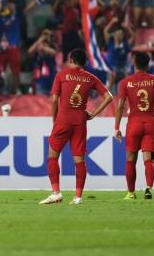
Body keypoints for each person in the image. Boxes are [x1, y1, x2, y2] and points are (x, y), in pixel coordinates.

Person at [39, 49, 113, 205]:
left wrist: (55, 120)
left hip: (63, 118)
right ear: (85, 62)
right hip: (80, 120)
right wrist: (93, 114)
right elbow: (109, 97)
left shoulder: (61, 75)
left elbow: (54, 101)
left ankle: (56, 193)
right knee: (79, 160)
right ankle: (78, 197)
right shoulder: (90, 78)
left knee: (52, 156)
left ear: (71, 60)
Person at [115, 51, 154, 200]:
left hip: (134, 123)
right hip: (150, 123)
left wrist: (117, 127)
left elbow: (120, 106)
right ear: (148, 64)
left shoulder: (125, 82)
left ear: (134, 63)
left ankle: (131, 193)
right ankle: (149, 188)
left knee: (130, 158)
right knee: (148, 159)